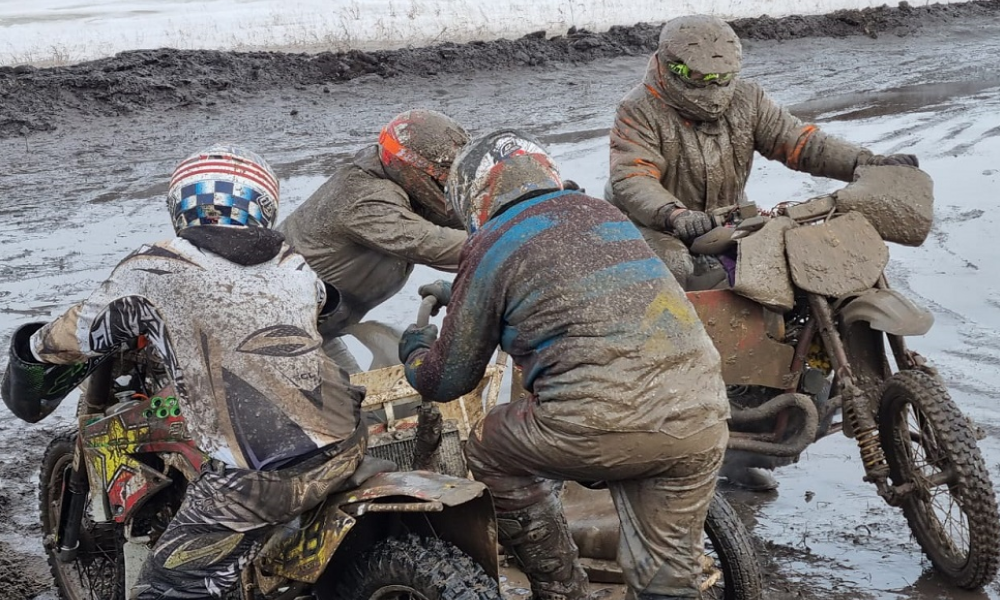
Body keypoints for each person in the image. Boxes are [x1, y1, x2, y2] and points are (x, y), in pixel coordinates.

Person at [1, 145, 366, 599]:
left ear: (180, 206)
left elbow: (76, 334)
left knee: (167, 587)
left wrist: (34, 348)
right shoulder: (290, 261)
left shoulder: (155, 266)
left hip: (260, 480)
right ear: (264, 208)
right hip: (347, 440)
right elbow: (329, 303)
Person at [399, 130, 730, 600]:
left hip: (602, 420)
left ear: (473, 196)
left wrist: (415, 350)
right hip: (701, 413)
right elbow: (576, 284)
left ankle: (560, 586)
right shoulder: (602, 212)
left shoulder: (493, 239)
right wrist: (467, 297)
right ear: (546, 171)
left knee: (491, 446)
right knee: (668, 579)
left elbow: (445, 379)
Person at [606, 14, 919, 491]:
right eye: (704, 79)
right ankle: (671, 418)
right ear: (671, 69)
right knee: (678, 277)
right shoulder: (639, 108)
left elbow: (800, 143)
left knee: (786, 284)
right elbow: (633, 177)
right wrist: (673, 214)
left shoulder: (747, 100)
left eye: (723, 78)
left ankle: (754, 423)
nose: (715, 87)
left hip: (727, 223)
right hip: (653, 227)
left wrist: (865, 161)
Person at [278, 109, 470, 373]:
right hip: (281, 333)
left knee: (361, 405)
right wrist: (516, 237)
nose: (449, 186)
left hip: (320, 329)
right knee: (348, 408)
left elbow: (472, 221)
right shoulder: (366, 199)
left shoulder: (404, 186)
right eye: (444, 178)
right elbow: (433, 244)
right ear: (415, 171)